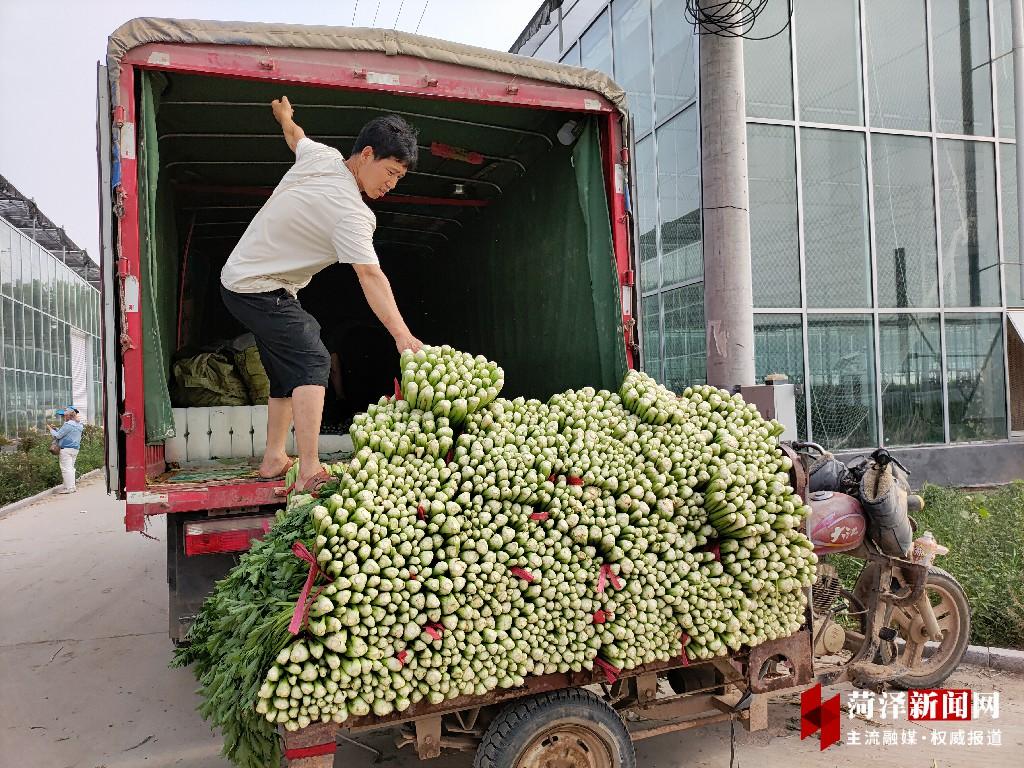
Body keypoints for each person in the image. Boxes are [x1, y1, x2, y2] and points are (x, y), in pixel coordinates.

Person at [220, 96, 423, 494]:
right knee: (313, 357)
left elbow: (296, 138)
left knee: (285, 371)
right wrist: (402, 335)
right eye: (391, 171)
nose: (392, 184)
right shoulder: (352, 213)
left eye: (400, 178)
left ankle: (274, 458)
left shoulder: (323, 157)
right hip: (258, 287)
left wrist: (284, 116)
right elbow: (370, 274)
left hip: (243, 280)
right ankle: (310, 468)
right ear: (367, 154)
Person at [48, 406, 84, 494]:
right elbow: (66, 433)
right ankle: (72, 486)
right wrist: (56, 429)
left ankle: (69, 488)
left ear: (68, 416)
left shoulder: (68, 425)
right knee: (71, 468)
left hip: (66, 449)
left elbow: (57, 436)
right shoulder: (79, 425)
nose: (63, 417)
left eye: (64, 415)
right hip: (75, 449)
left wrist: (50, 429)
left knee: (66, 469)